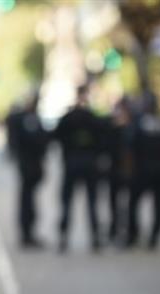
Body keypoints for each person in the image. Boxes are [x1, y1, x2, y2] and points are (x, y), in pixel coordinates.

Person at [53, 85, 105, 252]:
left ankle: (63, 237)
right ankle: (95, 238)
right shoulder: (93, 118)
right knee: (91, 202)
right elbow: (103, 140)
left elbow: (55, 137)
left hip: (72, 163)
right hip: (89, 163)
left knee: (68, 202)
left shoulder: (68, 117)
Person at [126, 91, 160, 249]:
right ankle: (153, 237)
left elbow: (130, 144)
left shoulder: (139, 123)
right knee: (159, 206)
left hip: (142, 170)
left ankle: (134, 234)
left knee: (134, 203)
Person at [5, 92, 49, 248]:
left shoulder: (31, 118)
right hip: (28, 166)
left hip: (32, 166)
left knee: (29, 200)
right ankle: (26, 234)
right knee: (27, 200)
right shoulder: (25, 119)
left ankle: (29, 232)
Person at [104, 96, 135, 243]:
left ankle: (129, 231)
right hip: (115, 171)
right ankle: (114, 228)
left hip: (129, 171)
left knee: (129, 203)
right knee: (114, 201)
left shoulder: (133, 128)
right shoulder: (112, 128)